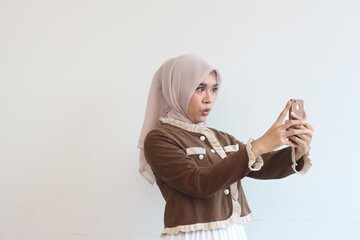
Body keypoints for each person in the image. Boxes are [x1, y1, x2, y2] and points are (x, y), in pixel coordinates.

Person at [138, 54, 313, 240]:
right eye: (199, 88)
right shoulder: (159, 139)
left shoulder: (220, 138)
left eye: (214, 89)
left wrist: (298, 150)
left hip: (232, 232)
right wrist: (259, 144)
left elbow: (259, 166)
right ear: (177, 89)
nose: (209, 98)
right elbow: (199, 183)